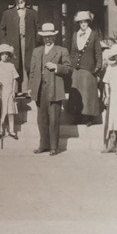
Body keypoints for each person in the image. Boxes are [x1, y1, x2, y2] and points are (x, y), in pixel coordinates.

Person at [29, 23, 72, 156]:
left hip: (55, 87)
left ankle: (54, 147)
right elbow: (32, 71)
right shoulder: (37, 51)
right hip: (40, 88)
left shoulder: (61, 50)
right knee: (41, 119)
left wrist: (56, 66)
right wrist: (31, 88)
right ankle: (43, 145)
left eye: (50, 37)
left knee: (54, 118)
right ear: (42, 38)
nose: (48, 39)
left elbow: (69, 69)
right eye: (45, 37)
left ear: (54, 37)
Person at [68, 10, 103, 126]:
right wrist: (71, 65)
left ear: (88, 22)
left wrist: (98, 66)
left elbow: (98, 52)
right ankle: (77, 117)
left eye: (85, 22)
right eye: (81, 22)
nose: (83, 24)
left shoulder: (93, 34)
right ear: (78, 23)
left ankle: (89, 118)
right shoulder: (75, 35)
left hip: (89, 68)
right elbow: (72, 52)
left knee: (88, 94)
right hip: (76, 69)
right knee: (76, 93)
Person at [0, 0, 38, 94]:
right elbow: (2, 29)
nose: (20, 1)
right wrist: (5, 45)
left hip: (28, 43)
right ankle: (13, 91)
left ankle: (26, 91)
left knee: (27, 65)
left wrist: (36, 43)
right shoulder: (7, 13)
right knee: (13, 65)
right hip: (12, 44)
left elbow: (38, 29)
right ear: (15, 0)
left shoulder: (32, 13)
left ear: (26, 1)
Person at [0, 44, 20, 139]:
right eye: (3, 54)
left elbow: (15, 78)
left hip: (9, 90)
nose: (5, 56)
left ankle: (11, 130)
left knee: (10, 111)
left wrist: (14, 91)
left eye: (6, 54)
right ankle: (0, 130)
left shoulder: (11, 66)